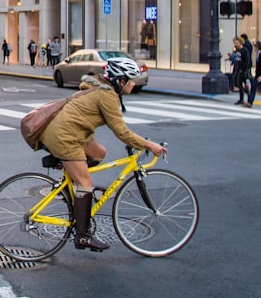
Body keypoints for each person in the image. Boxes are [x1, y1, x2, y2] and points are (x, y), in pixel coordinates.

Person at [37, 58, 166, 251]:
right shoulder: (107, 95)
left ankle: (76, 185)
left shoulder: (101, 88)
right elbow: (121, 132)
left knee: (99, 152)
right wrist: (148, 145)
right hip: (65, 137)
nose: (133, 83)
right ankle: (82, 236)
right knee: (85, 183)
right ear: (120, 81)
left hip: (68, 132)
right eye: (131, 80)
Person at [232, 37, 252, 107]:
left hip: (242, 70)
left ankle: (242, 98)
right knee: (236, 82)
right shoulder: (237, 50)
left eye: (236, 43)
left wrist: (243, 69)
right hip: (237, 69)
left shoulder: (244, 50)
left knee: (240, 83)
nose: (235, 44)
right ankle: (245, 91)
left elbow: (247, 61)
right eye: (235, 43)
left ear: (240, 43)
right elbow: (237, 59)